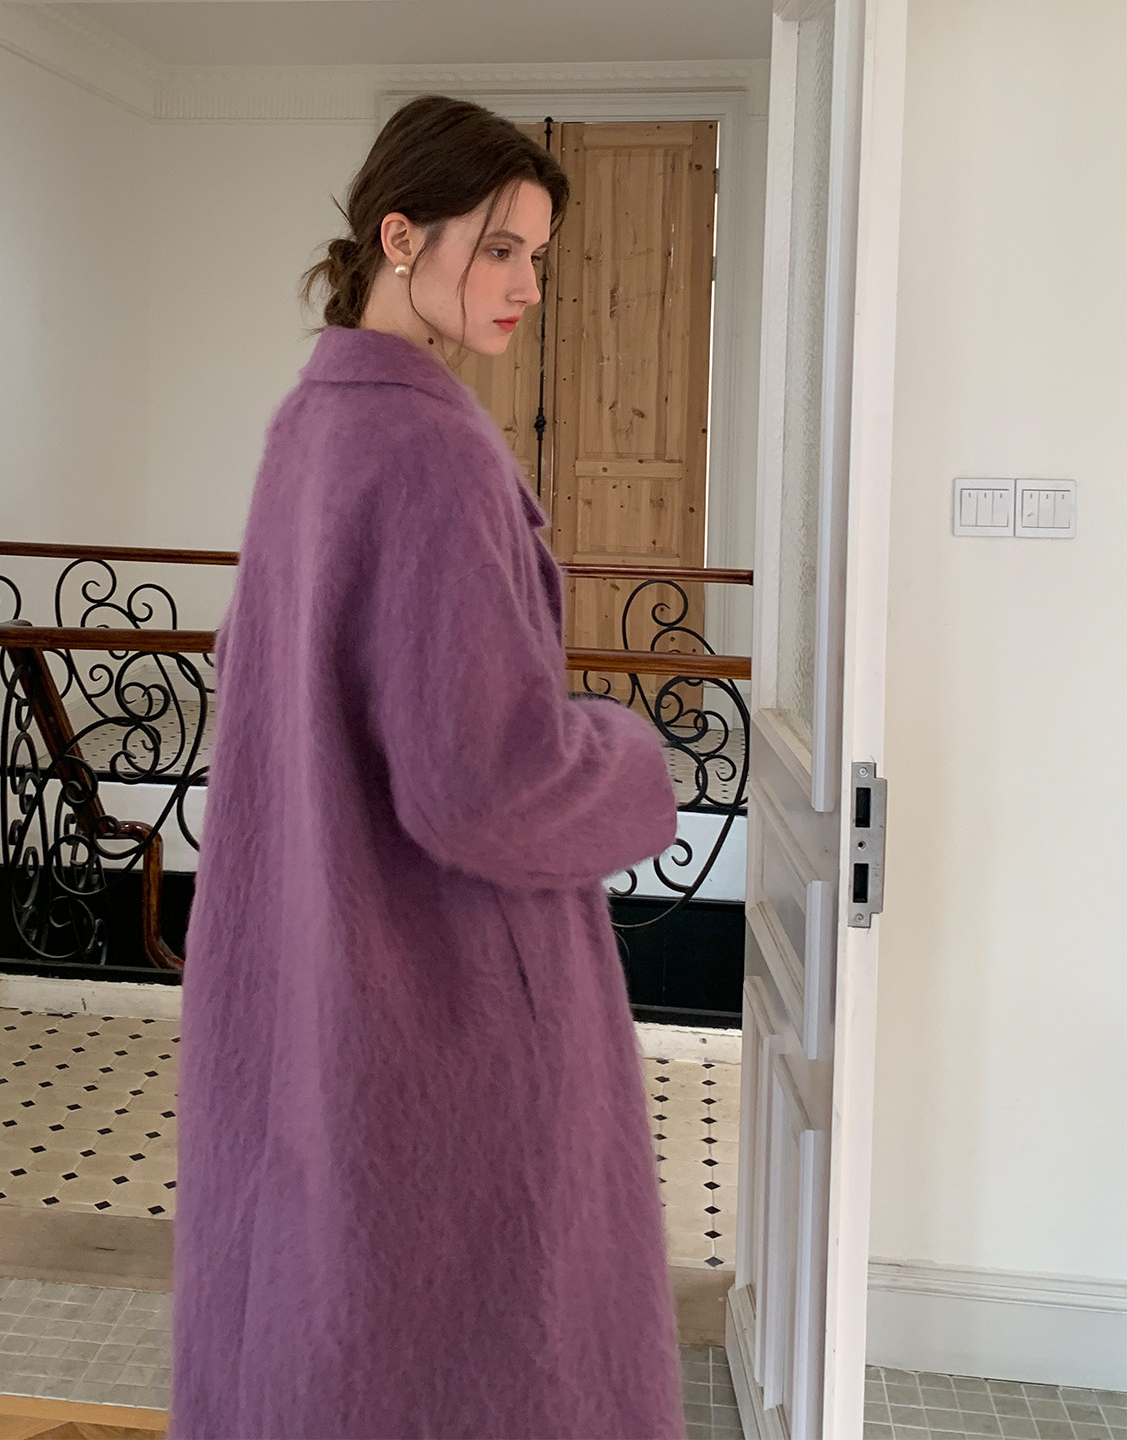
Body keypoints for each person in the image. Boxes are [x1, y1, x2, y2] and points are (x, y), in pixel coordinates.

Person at [169, 94, 685, 1440]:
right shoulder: (434, 449)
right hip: (444, 998)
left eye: (538, 258)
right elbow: (483, 783)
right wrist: (634, 761)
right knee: (501, 1357)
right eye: (499, 248)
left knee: (326, 1326)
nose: (527, 287)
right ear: (401, 237)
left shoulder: (313, 424)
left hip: (319, 966)